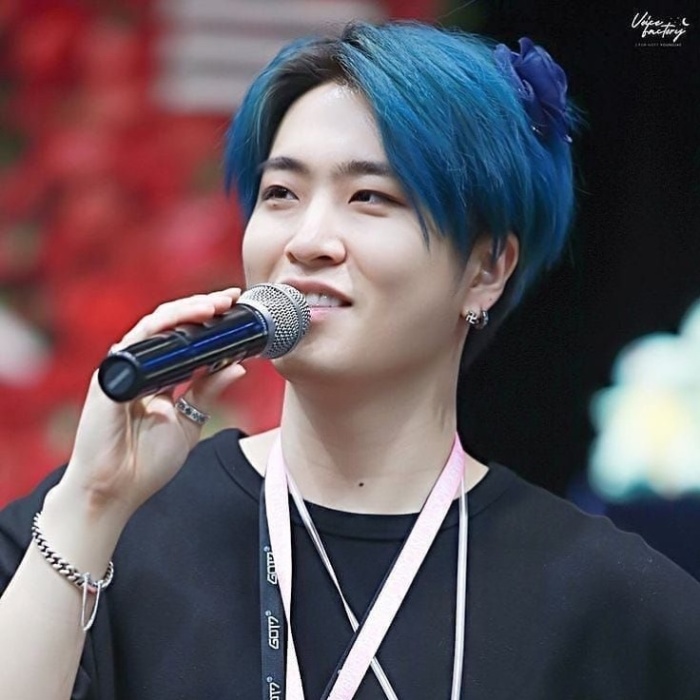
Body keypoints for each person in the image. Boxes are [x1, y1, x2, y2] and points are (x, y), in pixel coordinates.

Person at [1, 20, 699, 700]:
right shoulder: (97, 529)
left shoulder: (611, 601)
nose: (307, 241)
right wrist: (91, 507)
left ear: (487, 268)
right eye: (281, 194)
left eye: (369, 197)